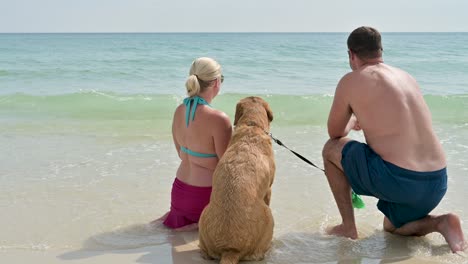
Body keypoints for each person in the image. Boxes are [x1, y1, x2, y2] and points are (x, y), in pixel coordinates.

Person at [321, 26, 466, 253]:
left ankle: (347, 227)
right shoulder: (406, 77)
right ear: (380, 50)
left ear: (351, 54)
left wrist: (352, 121)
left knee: (330, 150)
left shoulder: (351, 80)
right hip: (437, 182)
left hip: (401, 181)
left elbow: (335, 134)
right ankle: (441, 222)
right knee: (391, 228)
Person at [153, 57, 232, 231]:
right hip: (204, 197)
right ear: (217, 82)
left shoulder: (179, 111)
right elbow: (227, 168)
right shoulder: (220, 119)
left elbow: (180, 153)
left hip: (179, 193)